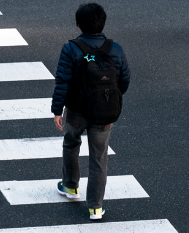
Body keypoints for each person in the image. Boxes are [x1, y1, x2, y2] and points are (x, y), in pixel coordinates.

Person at [51, 3, 131, 221]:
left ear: (78, 24)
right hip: (104, 113)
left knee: (71, 143)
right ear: (103, 23)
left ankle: (70, 186)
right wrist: (107, 99)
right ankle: (95, 207)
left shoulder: (71, 49)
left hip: (77, 111)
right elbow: (123, 81)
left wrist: (57, 109)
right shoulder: (115, 49)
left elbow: (62, 81)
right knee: (99, 158)